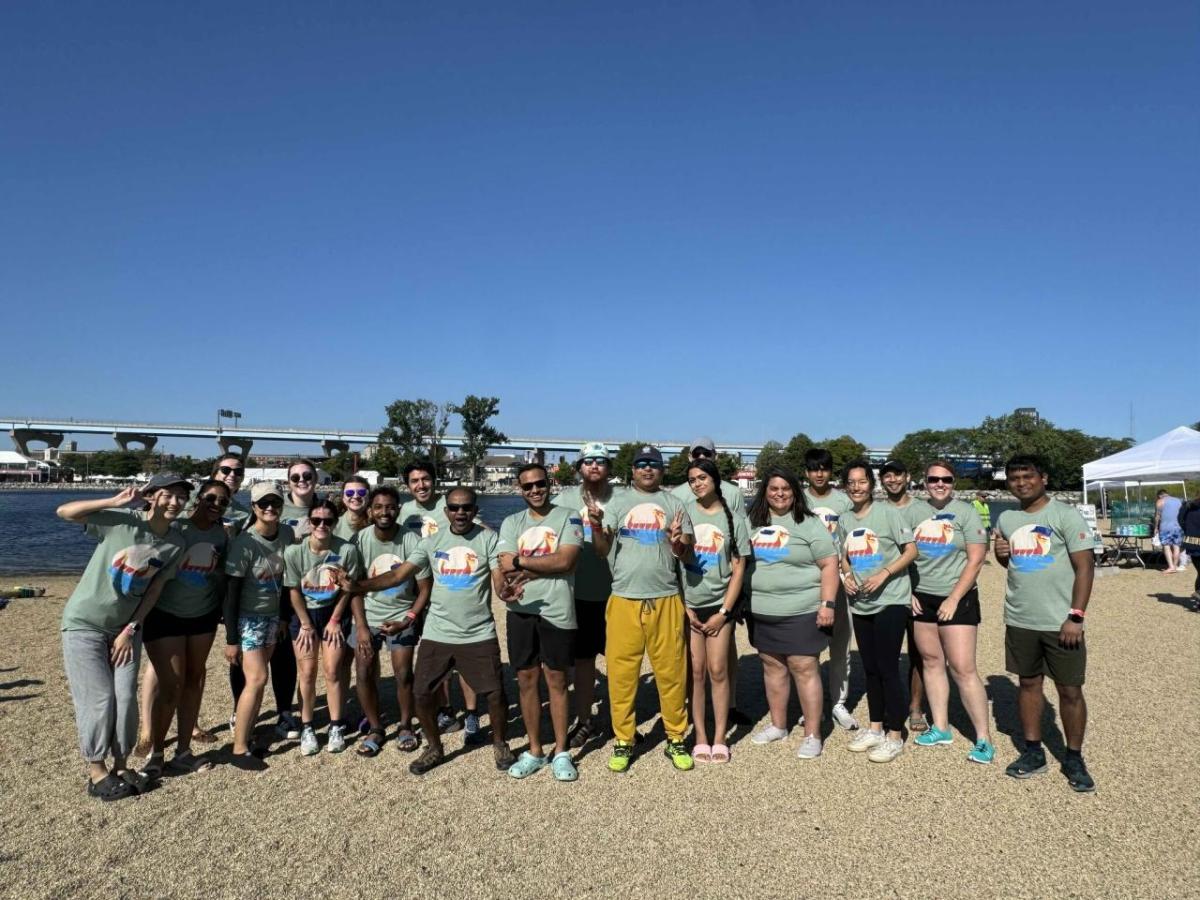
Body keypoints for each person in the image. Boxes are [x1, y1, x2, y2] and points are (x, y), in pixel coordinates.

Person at [345, 487, 514, 775]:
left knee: (495, 693)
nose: (461, 513)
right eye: (455, 507)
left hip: (478, 632)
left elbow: (498, 578)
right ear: (446, 511)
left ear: (475, 510)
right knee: (422, 693)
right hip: (438, 631)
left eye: (467, 507)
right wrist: (357, 586)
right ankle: (434, 747)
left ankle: (500, 742)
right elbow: (398, 574)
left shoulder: (488, 539)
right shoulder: (431, 542)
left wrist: (505, 590)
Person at [56, 474, 191, 801]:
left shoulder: (176, 542)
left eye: (181, 497)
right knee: (99, 699)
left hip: (127, 628)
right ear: (152, 496)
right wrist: (112, 502)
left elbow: (155, 587)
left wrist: (131, 628)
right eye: (168, 495)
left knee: (126, 699)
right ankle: (96, 769)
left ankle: (120, 764)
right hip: (84, 622)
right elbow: (65, 511)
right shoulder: (121, 521)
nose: (175, 502)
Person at [994, 454, 1096, 792]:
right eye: (1014, 478)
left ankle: (1074, 757)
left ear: (1044, 478)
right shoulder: (1007, 518)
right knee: (1028, 684)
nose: (1021, 482)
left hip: (1060, 620)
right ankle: (1034, 751)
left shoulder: (1064, 515)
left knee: (1069, 690)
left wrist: (1075, 616)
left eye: (1028, 476)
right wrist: (1000, 553)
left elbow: (1085, 567)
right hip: (1021, 617)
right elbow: (1013, 563)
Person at [592, 445, 695, 773]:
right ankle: (624, 738)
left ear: (662, 470)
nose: (647, 469)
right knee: (622, 674)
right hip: (624, 598)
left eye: (653, 464)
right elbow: (601, 550)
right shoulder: (616, 503)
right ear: (632, 469)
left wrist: (679, 542)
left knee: (672, 672)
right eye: (641, 464)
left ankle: (675, 737)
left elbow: (687, 556)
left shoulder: (674, 504)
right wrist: (596, 528)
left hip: (665, 597)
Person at [497, 463, 584, 781]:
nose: (534, 490)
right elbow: (501, 568)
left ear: (550, 484)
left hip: (557, 610)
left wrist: (521, 562)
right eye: (527, 486)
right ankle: (535, 750)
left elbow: (567, 560)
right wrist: (503, 588)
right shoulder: (510, 522)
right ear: (520, 489)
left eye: (540, 484)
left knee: (557, 681)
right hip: (521, 611)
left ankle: (561, 751)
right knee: (526, 680)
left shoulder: (568, 516)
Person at [745, 467, 840, 759]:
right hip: (762, 610)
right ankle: (778, 724)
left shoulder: (809, 523)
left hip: (802, 609)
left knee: (804, 668)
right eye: (774, 488)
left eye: (786, 488)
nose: (780, 493)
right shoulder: (753, 521)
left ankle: (812, 733)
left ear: (795, 492)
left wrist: (827, 604)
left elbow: (829, 564)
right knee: (772, 668)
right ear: (765, 491)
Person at [140, 478, 231, 775]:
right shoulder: (177, 528)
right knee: (172, 684)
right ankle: (155, 753)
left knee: (194, 680)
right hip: (165, 614)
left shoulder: (223, 535)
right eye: (210, 499)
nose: (216, 505)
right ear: (198, 499)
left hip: (203, 615)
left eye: (223, 502)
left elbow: (220, 574)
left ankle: (183, 751)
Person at [907, 461, 994, 763]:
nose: (939, 483)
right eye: (933, 479)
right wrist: (907, 592)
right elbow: (899, 553)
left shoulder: (967, 512)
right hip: (922, 598)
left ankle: (983, 738)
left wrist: (955, 598)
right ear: (925, 481)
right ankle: (941, 727)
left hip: (958, 598)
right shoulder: (913, 512)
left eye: (945, 479)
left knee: (962, 668)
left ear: (953, 481)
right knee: (931, 662)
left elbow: (976, 559)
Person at [670, 436, 754, 729]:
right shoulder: (681, 495)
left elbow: (739, 547)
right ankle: (691, 713)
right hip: (692, 590)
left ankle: (727, 707)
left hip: (722, 591)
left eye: (706, 455)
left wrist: (730, 605)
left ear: (715, 459)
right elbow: (678, 546)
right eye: (696, 455)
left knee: (722, 658)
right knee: (693, 663)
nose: (697, 479)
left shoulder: (731, 494)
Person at [839, 459, 917, 763]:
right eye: (851, 483)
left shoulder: (888, 513)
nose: (857, 488)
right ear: (845, 487)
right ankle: (874, 727)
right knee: (869, 668)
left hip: (891, 599)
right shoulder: (845, 519)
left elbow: (911, 549)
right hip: (861, 602)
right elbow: (843, 556)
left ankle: (895, 734)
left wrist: (884, 574)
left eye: (862, 482)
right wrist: (846, 577)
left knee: (887, 667)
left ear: (871, 485)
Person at [399, 458, 480, 739]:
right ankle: (444, 709)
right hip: (417, 592)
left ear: (434, 480)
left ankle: (471, 713)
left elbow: (480, 532)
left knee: (463, 657)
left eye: (425, 479)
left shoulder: (452, 506)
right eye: (414, 481)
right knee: (433, 658)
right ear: (407, 485)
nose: (421, 485)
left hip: (450, 589)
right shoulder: (404, 512)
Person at [552, 442, 626, 748]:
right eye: (588, 461)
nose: (594, 466)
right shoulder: (564, 500)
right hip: (577, 594)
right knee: (583, 663)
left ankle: (623, 723)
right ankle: (584, 721)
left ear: (609, 468)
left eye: (601, 461)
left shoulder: (624, 499)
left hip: (618, 592)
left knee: (621, 662)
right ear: (579, 467)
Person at [349, 485, 432, 756]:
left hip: (401, 614)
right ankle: (375, 727)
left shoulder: (411, 540)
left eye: (390, 507)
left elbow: (424, 588)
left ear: (399, 508)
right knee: (363, 670)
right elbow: (354, 588)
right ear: (370, 510)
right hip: (370, 616)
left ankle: (406, 724)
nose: (385, 512)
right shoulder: (360, 540)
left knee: (404, 673)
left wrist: (409, 619)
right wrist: (361, 626)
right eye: (379, 507)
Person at [223, 482, 296, 770]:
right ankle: (239, 749)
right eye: (263, 503)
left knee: (257, 682)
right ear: (253, 507)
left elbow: (287, 580)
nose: (269, 508)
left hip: (272, 618)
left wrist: (283, 617)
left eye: (275, 503)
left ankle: (248, 737)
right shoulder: (245, 543)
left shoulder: (288, 534)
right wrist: (231, 639)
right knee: (256, 679)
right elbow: (231, 593)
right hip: (248, 618)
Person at [284, 499, 363, 755]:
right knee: (306, 672)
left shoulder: (347, 551)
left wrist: (335, 620)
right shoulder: (294, 552)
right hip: (305, 614)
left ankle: (335, 725)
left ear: (335, 523)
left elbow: (348, 590)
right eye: (316, 520)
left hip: (332, 613)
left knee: (332, 671)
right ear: (309, 522)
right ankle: (307, 726)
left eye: (327, 521)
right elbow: (294, 590)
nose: (321, 525)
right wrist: (305, 623)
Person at [801, 447, 858, 731]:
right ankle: (809, 704)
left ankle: (838, 701)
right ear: (806, 472)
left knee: (840, 645)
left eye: (823, 468)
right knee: (806, 647)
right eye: (813, 469)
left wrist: (849, 572)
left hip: (838, 576)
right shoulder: (799, 499)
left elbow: (849, 539)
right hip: (806, 578)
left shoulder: (843, 501)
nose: (819, 473)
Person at [879, 458, 929, 733]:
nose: (893, 480)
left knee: (918, 650)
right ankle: (891, 704)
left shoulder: (922, 510)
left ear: (908, 476)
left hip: (920, 586)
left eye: (898, 474)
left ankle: (915, 706)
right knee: (886, 653)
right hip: (888, 590)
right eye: (887, 475)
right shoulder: (877, 509)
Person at [281, 458, 321, 541]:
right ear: (289, 482)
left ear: (316, 479)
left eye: (307, 476)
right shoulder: (276, 506)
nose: (301, 480)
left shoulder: (325, 509)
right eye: (295, 477)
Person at [1155, 490, 1184, 573]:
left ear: (1160, 495)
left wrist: (1156, 527)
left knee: (1166, 546)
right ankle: (1175, 566)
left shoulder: (1160, 501)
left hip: (1165, 527)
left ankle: (1171, 566)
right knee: (1176, 546)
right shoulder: (1178, 500)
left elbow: (1157, 516)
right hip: (1178, 527)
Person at [335, 474, 372, 540]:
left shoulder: (378, 523)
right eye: (349, 493)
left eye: (361, 492)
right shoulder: (334, 525)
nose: (356, 496)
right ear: (343, 498)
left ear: (368, 496)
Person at [1179, 497, 1200, 609]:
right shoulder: (1188, 506)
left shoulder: (1187, 506)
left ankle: (1198, 601)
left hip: (1192, 542)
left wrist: (1188, 530)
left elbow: (1180, 519)